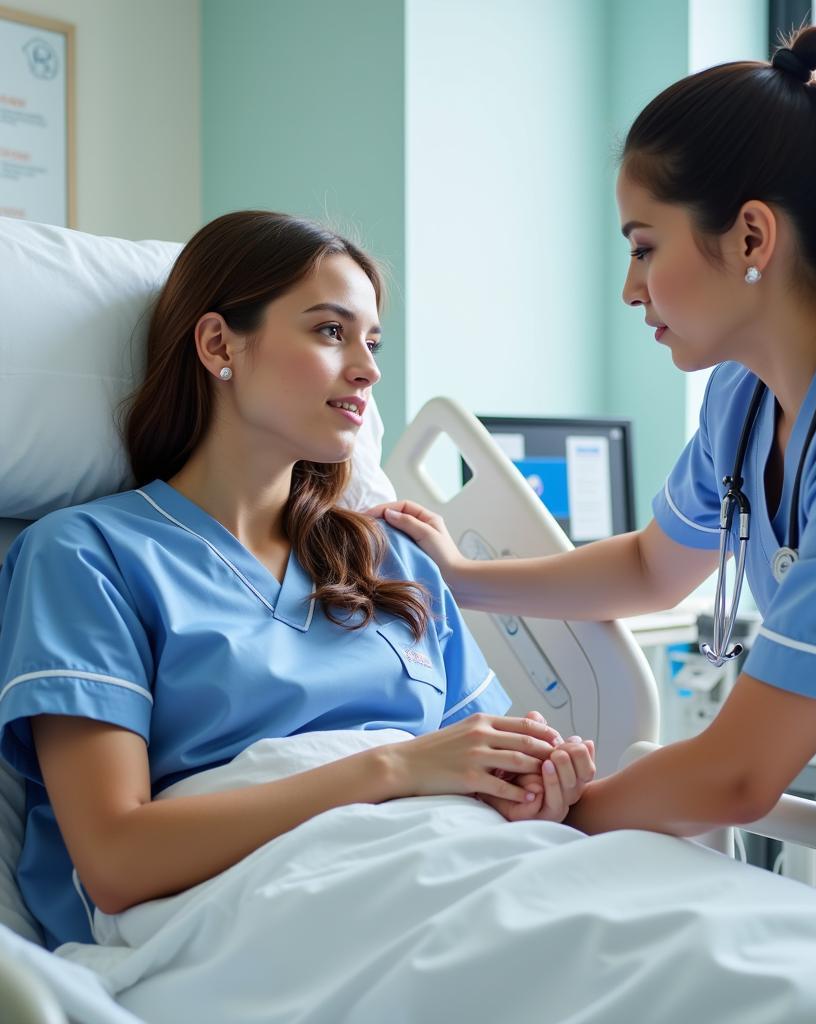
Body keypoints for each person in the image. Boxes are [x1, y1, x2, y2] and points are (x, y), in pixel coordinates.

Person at [370, 25, 816, 953]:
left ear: (751, 234)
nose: (632, 288)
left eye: (643, 246)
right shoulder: (746, 396)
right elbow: (651, 566)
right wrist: (459, 576)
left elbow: (736, 776)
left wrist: (546, 823)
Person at [0, 210, 595, 952]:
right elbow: (117, 860)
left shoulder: (393, 560)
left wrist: (533, 793)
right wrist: (395, 766)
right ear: (219, 344)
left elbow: (464, 779)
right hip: (262, 925)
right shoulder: (85, 555)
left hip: (454, 876)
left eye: (373, 341)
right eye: (330, 331)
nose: (369, 369)